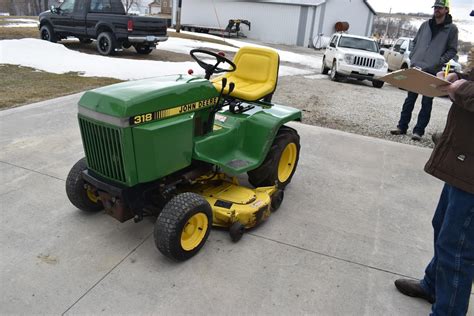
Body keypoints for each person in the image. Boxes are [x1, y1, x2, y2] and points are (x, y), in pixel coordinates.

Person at [394, 66, 474, 313]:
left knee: (457, 247)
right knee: (442, 227)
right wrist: (460, 79)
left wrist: (463, 89)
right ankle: (434, 286)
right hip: (464, 162)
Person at [390, 0, 458, 141]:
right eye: (435, 7)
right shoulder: (425, 25)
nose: (436, 10)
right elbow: (415, 41)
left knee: (427, 102)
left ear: (446, 10)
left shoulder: (451, 29)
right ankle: (401, 127)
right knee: (410, 99)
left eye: (440, 8)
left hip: (433, 71)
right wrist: (414, 56)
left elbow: (452, 50)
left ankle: (418, 131)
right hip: (417, 68)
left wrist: (438, 62)